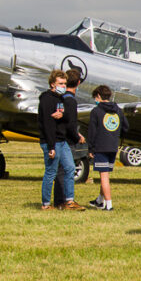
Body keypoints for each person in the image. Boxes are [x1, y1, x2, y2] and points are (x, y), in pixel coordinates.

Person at [37, 70, 85, 210]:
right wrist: (51, 146)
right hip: (51, 142)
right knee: (51, 172)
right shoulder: (47, 99)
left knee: (70, 168)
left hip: (62, 141)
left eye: (64, 83)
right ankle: (46, 204)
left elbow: (65, 118)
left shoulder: (61, 99)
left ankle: (69, 201)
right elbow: (48, 124)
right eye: (60, 83)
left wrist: (62, 117)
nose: (63, 86)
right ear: (53, 84)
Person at [86, 85, 128, 211]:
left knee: (104, 177)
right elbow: (126, 126)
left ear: (98, 96)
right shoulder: (118, 110)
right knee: (105, 174)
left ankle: (108, 205)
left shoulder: (96, 111)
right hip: (113, 146)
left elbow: (92, 132)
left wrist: (90, 149)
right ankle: (100, 200)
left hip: (100, 146)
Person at [52, 68, 87, 207]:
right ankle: (64, 200)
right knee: (66, 170)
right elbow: (71, 124)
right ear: (78, 83)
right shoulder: (71, 101)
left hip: (58, 137)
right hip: (66, 140)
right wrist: (77, 137)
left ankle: (59, 200)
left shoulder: (61, 98)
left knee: (60, 170)